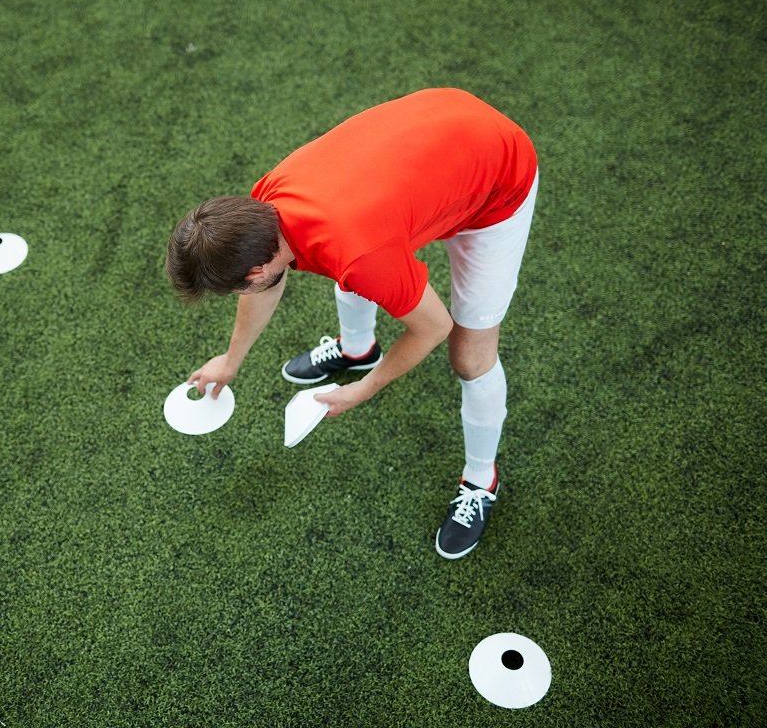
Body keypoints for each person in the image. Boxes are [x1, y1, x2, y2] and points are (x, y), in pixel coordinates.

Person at [166, 87, 538, 559]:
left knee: (470, 358)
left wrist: (364, 390)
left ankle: (481, 479)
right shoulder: (264, 207)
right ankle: (357, 349)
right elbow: (272, 282)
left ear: (254, 270)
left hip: (498, 180)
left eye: (237, 287)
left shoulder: (360, 254)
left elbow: (433, 326)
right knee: (355, 270)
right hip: (443, 132)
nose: (242, 294)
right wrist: (230, 359)